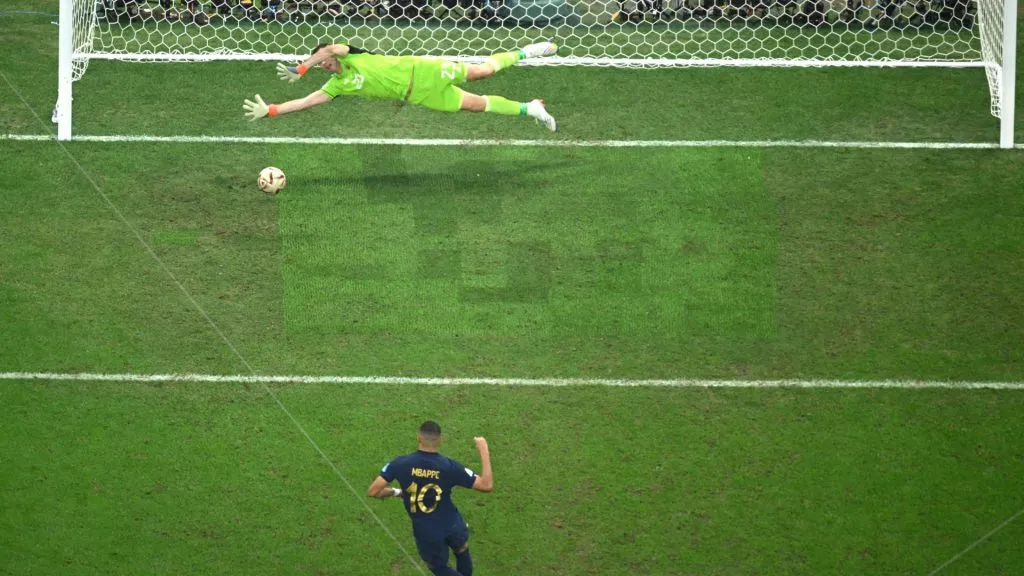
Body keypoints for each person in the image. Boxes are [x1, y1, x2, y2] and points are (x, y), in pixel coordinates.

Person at [243, 41, 559, 131]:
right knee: (476, 105)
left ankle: (525, 52)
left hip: (422, 71)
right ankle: (530, 108)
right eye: (319, 64)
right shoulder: (338, 85)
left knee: (481, 72)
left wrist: (301, 67)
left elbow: (328, 50)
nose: (323, 64)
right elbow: (305, 102)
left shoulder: (352, 54)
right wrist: (271, 110)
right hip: (419, 94)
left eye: (321, 60)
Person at [367, 421, 493, 576]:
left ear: (419, 438)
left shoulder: (400, 464)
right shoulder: (449, 467)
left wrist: (396, 492)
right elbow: (486, 485)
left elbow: (373, 491)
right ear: (440, 440)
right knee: (462, 549)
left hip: (427, 533)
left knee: (439, 568)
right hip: (453, 524)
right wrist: (484, 450)